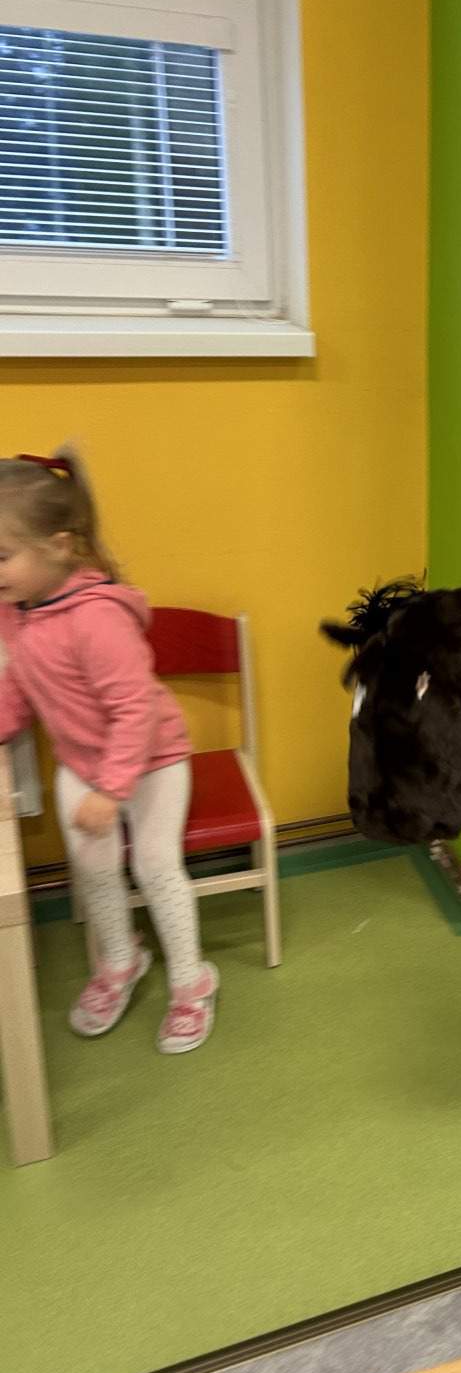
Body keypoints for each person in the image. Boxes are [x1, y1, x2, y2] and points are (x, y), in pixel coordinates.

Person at [0, 451, 218, 1054]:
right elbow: (17, 684)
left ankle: (192, 982)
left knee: (154, 866)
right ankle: (121, 961)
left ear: (58, 546)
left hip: (152, 760)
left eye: (1, 555)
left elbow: (134, 711)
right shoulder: (15, 613)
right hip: (84, 764)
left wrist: (113, 789)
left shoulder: (97, 620)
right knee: (93, 868)